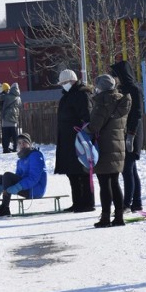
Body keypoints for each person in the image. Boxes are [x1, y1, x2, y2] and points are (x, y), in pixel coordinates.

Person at [84, 74, 131, 228]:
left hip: (103, 147)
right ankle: (119, 217)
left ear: (101, 87)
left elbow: (95, 126)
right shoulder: (121, 101)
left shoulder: (103, 102)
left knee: (105, 184)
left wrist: (86, 129)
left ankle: (105, 218)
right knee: (115, 182)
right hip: (118, 146)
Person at [0, 133, 47, 218]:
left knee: (7, 175)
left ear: (29, 144)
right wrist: (1, 187)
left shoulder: (36, 155)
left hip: (35, 189)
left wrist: (18, 187)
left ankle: (5, 208)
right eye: (19, 143)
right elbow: (16, 177)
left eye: (24, 142)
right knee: (1, 177)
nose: (22, 145)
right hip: (27, 187)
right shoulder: (21, 159)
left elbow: (34, 178)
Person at [54, 69, 95, 213]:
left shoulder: (81, 94)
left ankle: (88, 203)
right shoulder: (68, 95)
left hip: (79, 139)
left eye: (65, 82)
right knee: (72, 173)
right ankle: (77, 202)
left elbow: (87, 117)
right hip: (68, 140)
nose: (63, 85)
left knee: (82, 172)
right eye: (62, 83)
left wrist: (84, 133)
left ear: (72, 81)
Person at [111, 61, 144, 213]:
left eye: (116, 76)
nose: (115, 79)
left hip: (132, 133)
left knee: (127, 169)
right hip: (124, 133)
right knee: (132, 170)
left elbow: (137, 114)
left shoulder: (134, 90)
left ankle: (127, 203)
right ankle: (136, 202)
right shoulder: (121, 89)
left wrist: (131, 134)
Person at [0, 82, 22, 153]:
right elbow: (20, 106)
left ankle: (5, 149)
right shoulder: (18, 98)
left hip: (6, 118)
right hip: (14, 118)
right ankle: (15, 148)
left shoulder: (7, 96)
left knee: (5, 135)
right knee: (14, 135)